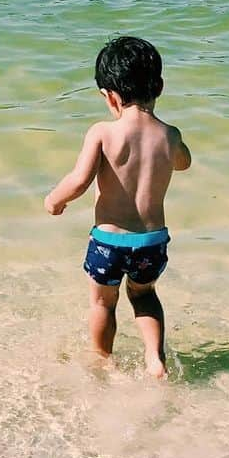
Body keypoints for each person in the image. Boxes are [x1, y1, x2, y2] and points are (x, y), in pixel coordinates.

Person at [44, 36, 191, 378]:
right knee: (144, 296)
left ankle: (102, 360)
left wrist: (55, 199)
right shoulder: (169, 135)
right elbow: (183, 162)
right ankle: (154, 358)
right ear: (160, 87)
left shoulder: (102, 133)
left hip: (109, 242)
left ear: (109, 96)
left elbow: (80, 180)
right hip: (151, 242)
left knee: (102, 302)